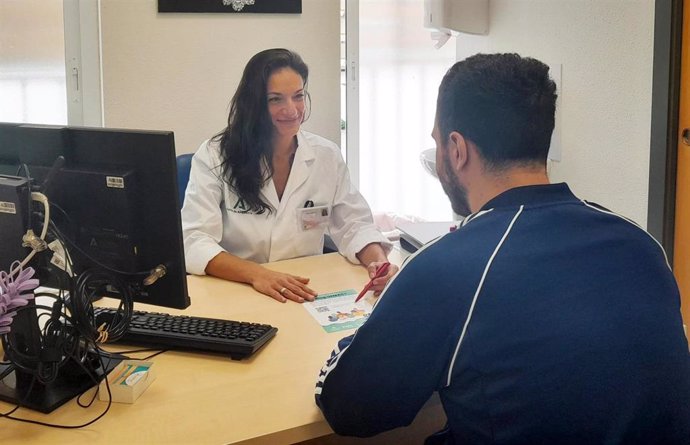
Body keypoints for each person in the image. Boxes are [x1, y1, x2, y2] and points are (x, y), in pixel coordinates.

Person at [315, 53, 690, 444]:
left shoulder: (446, 268)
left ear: (456, 150)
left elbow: (349, 407)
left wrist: (384, 316)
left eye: (437, 142)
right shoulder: (642, 244)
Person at [181, 48, 395, 303]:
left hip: (304, 291)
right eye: (275, 99)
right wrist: (257, 274)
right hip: (235, 290)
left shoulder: (326, 156)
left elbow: (354, 225)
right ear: (254, 104)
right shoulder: (215, 156)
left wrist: (378, 263)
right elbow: (194, 240)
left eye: (298, 96)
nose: (291, 110)